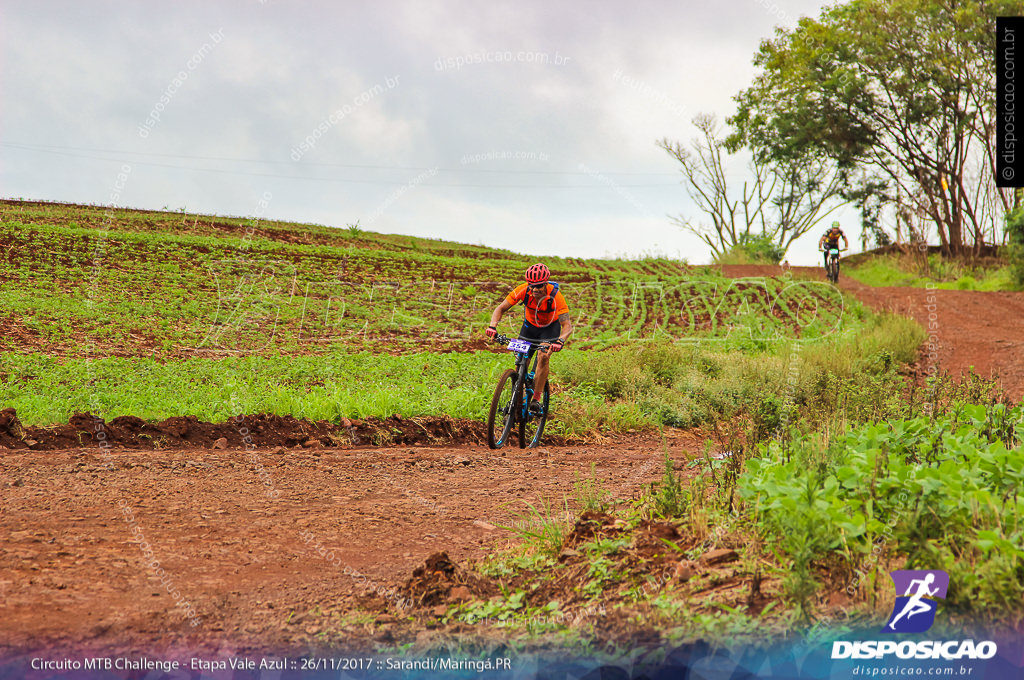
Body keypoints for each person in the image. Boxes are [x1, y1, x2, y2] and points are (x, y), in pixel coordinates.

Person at [485, 263, 572, 416]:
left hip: (549, 330)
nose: (535, 289)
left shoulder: (556, 296)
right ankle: (515, 402)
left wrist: (560, 341)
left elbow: (567, 326)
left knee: (543, 356)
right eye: (532, 286)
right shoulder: (523, 290)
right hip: (529, 329)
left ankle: (536, 401)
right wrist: (493, 326)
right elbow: (500, 308)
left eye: (538, 286)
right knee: (520, 363)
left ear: (545, 283)